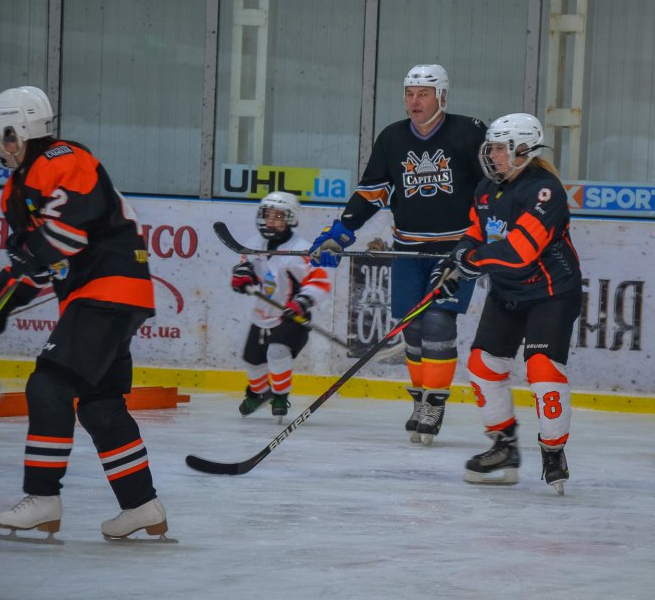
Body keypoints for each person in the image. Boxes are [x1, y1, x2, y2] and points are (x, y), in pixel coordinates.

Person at [0, 85, 168, 542]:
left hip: (107, 291)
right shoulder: (17, 189)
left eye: (1, 132)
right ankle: (141, 506)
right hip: (103, 297)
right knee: (100, 404)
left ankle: (43, 498)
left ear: (19, 129)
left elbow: (68, 234)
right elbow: (31, 268)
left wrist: (26, 256)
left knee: (49, 383)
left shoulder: (63, 158)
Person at [308, 64, 487, 445]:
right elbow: (372, 191)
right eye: (409, 93)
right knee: (414, 327)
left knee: (438, 320)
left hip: (455, 251)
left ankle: (434, 403)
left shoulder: (469, 132)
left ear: (442, 96)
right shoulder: (392, 137)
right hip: (407, 249)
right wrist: (341, 232)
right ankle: (420, 398)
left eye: (423, 94)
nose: (414, 101)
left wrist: (484, 239)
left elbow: (490, 190)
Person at [433, 113, 582, 494]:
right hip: (506, 293)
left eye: (500, 149)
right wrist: (455, 260)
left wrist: (472, 261)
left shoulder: (545, 191)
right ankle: (504, 446)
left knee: (542, 368)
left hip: (551, 293)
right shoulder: (487, 188)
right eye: (492, 149)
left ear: (523, 150)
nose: (493, 156)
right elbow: (475, 232)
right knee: (483, 365)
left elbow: (520, 251)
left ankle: (553, 451)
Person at [230, 191, 330, 420]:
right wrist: (242, 277)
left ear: (290, 219)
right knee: (252, 361)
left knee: (277, 352)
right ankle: (260, 393)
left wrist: (301, 302)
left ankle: (280, 396)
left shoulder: (300, 250)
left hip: (292, 316)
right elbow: (248, 268)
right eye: (268, 215)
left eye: (278, 216)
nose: (271, 220)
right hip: (262, 314)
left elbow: (319, 282)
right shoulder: (254, 244)